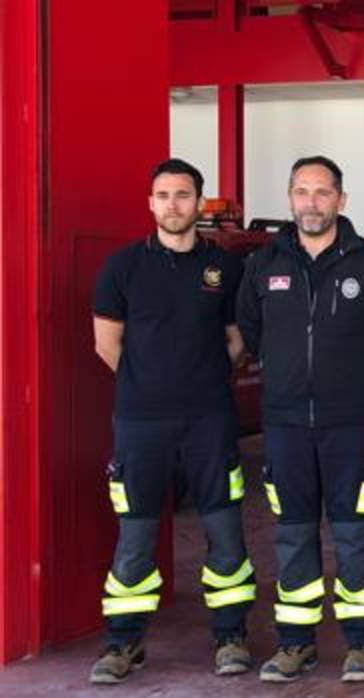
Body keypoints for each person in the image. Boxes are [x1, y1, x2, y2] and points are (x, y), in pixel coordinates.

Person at [236, 156, 364, 683]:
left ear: (342, 199)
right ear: (290, 197)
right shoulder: (265, 264)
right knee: (292, 532)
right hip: (286, 422)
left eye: (322, 192)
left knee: (353, 531)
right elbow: (250, 329)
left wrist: (359, 380)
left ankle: (361, 644)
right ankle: (296, 644)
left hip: (351, 422)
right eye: (302, 191)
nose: (311, 202)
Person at [90, 158, 254, 683]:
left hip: (209, 419)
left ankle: (230, 637)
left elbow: (237, 341)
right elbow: (106, 344)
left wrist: (197, 381)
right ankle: (123, 644)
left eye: (183, 195)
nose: (173, 205)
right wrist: (150, 384)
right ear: (151, 203)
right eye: (163, 195)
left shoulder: (226, 269)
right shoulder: (122, 267)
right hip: (140, 423)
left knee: (224, 530)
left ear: (198, 203)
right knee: (135, 536)